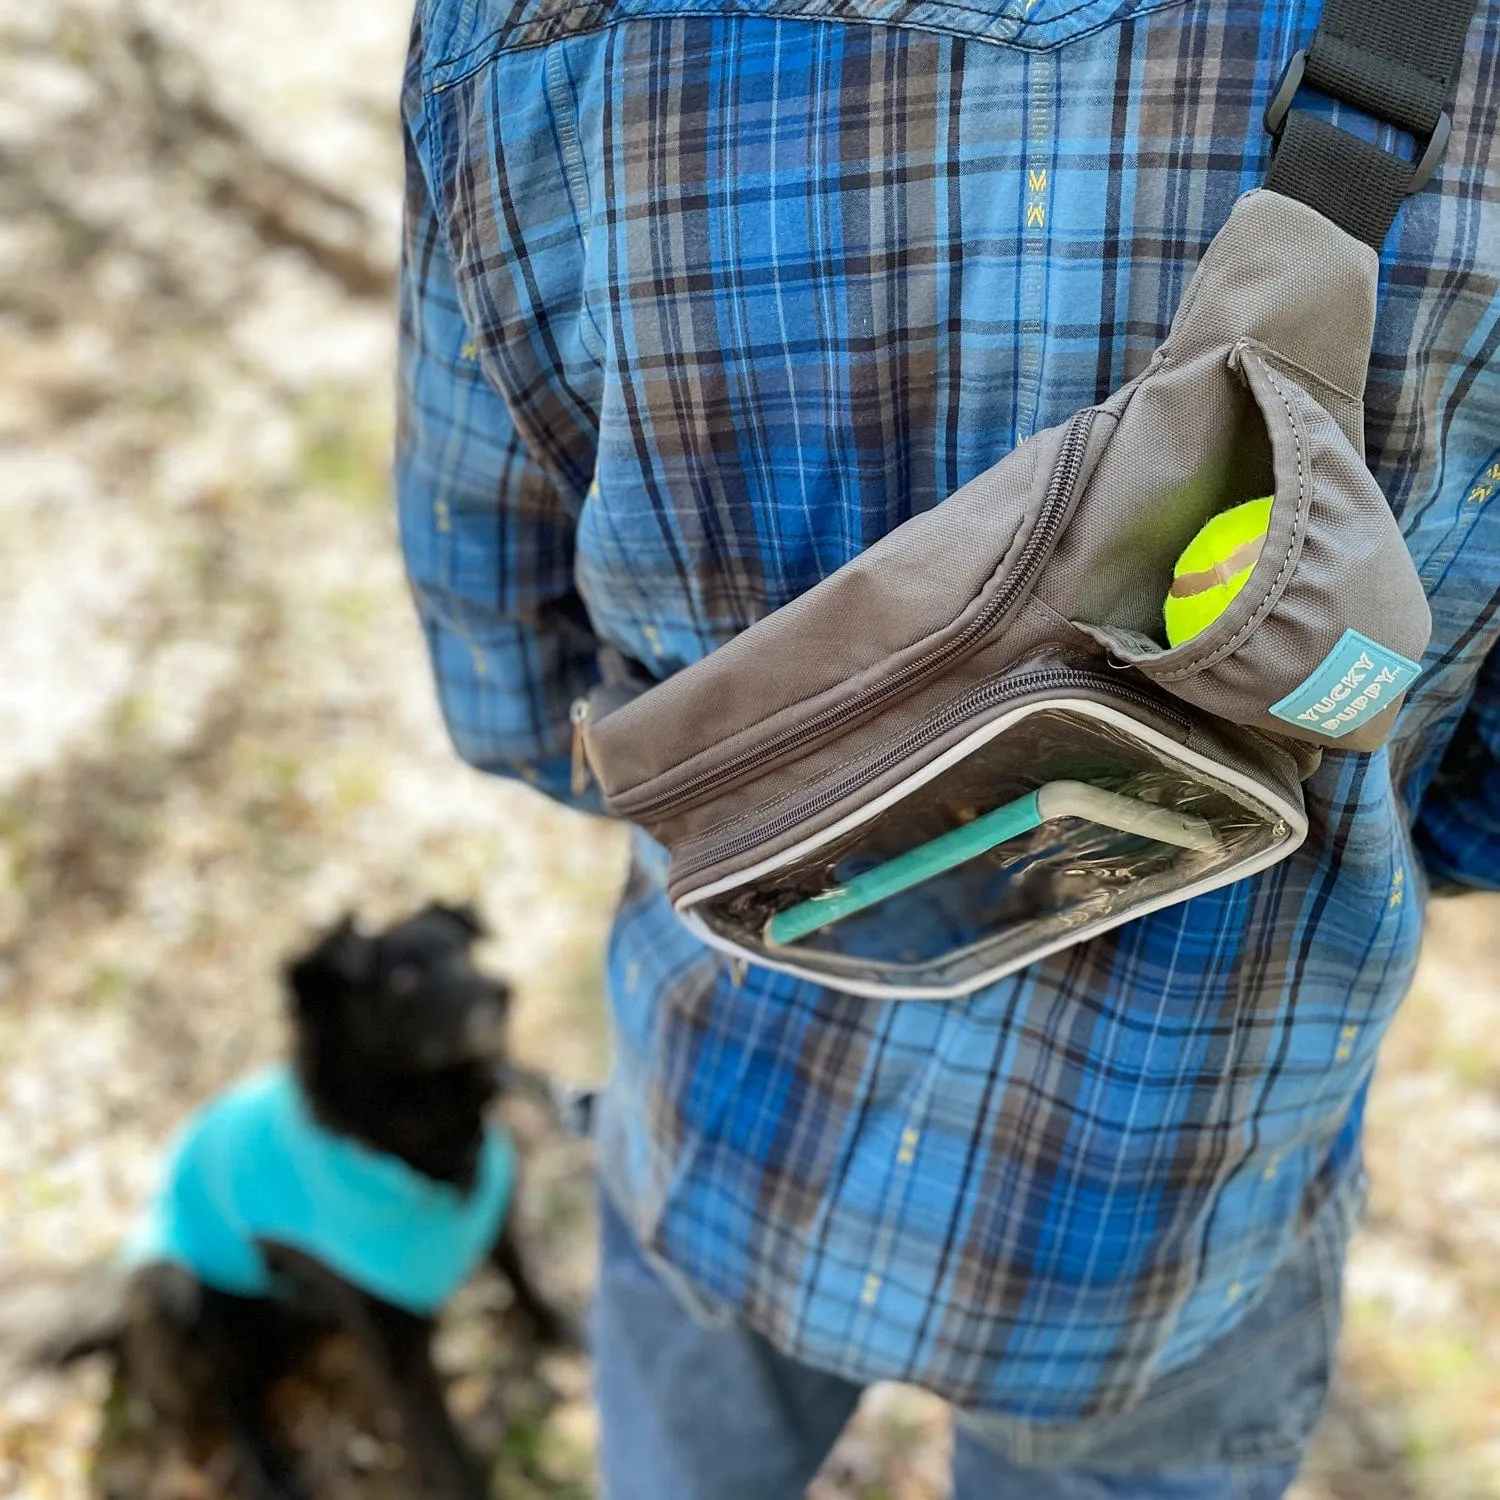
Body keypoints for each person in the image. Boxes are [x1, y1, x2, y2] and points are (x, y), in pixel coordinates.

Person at [394, 0, 1499, 1493]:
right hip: (1165, 1222)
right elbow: (1480, 799)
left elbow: (513, 687)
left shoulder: (523, 31)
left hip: (725, 1102)